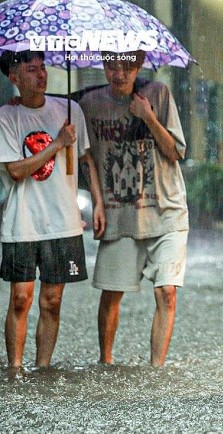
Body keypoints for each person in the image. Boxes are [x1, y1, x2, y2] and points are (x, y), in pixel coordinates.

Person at [78, 51, 189, 367]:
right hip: (119, 212)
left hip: (166, 209)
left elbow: (176, 151)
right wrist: (98, 203)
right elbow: (87, 158)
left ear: (139, 66)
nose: (119, 73)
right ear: (103, 65)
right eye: (112, 66)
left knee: (166, 292)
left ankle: (156, 372)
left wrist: (148, 117)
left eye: (127, 66)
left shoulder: (157, 93)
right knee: (111, 294)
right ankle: (105, 363)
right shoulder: (88, 104)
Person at [0, 50, 105, 373]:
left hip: (63, 221)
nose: (41, 74)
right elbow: (16, 170)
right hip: (22, 221)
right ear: (14, 78)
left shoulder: (69, 110)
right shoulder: (7, 116)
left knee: (53, 301)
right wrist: (57, 144)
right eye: (31, 69)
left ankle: (43, 371)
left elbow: (86, 159)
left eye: (43, 68)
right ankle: (16, 371)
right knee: (21, 298)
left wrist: (99, 202)